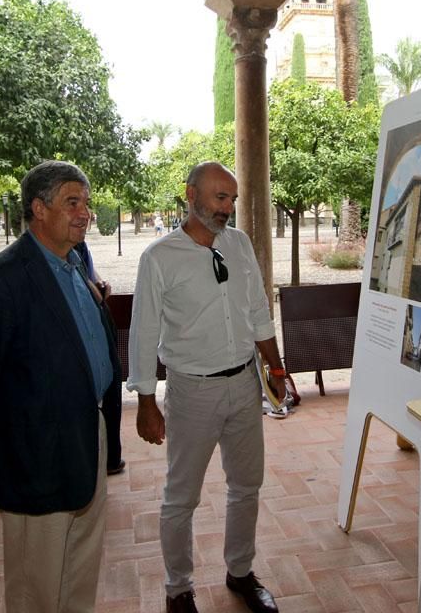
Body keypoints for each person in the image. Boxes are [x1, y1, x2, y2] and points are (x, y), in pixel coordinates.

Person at [0, 160, 118, 613]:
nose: (85, 212)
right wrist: (13, 440)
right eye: (72, 202)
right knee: (35, 585)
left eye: (86, 202)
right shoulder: (2, 283)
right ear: (38, 209)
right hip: (36, 452)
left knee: (79, 564)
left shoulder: (73, 265)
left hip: (86, 434)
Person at [128, 161, 287, 613]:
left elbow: (258, 311)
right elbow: (143, 332)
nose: (228, 208)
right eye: (220, 197)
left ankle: (240, 573)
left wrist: (275, 369)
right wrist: (145, 401)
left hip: (244, 384)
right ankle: (178, 588)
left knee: (246, 485)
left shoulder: (239, 245)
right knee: (181, 496)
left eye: (233, 199)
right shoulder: (159, 258)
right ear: (191, 194)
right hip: (191, 391)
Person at [74, 238, 126, 476]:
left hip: (100, 326)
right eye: (72, 203)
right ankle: (105, 458)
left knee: (111, 387)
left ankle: (110, 456)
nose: (84, 214)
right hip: (88, 337)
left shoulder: (78, 248)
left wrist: (100, 282)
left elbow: (90, 276)